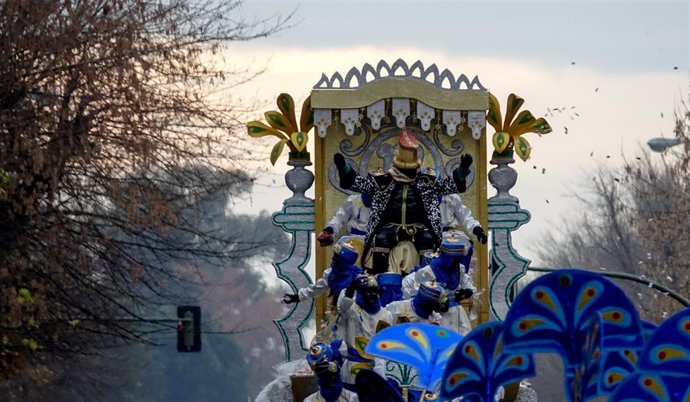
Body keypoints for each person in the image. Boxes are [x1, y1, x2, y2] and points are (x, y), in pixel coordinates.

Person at [334, 127, 473, 275]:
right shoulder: (383, 182)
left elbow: (449, 185)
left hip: (418, 227)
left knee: (427, 240)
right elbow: (358, 183)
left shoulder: (426, 182)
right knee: (381, 239)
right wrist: (343, 167)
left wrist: (462, 169)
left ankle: (429, 278)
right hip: (390, 226)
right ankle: (377, 278)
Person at [402, 233, 474, 335]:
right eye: (454, 258)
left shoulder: (459, 268)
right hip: (436, 316)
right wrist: (437, 303)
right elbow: (417, 296)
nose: (456, 261)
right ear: (447, 257)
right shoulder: (426, 272)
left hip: (458, 314)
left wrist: (466, 292)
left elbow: (467, 283)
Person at [336, 274, 393, 392]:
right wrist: (350, 291)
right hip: (353, 370)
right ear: (361, 293)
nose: (372, 295)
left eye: (374, 291)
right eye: (368, 292)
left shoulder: (386, 314)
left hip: (378, 369)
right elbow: (342, 309)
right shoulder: (352, 311)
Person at [282, 239, 361, 310]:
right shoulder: (331, 274)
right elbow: (317, 288)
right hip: (339, 313)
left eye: (336, 257)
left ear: (344, 262)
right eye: (334, 256)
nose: (333, 259)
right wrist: (298, 297)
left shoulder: (358, 277)